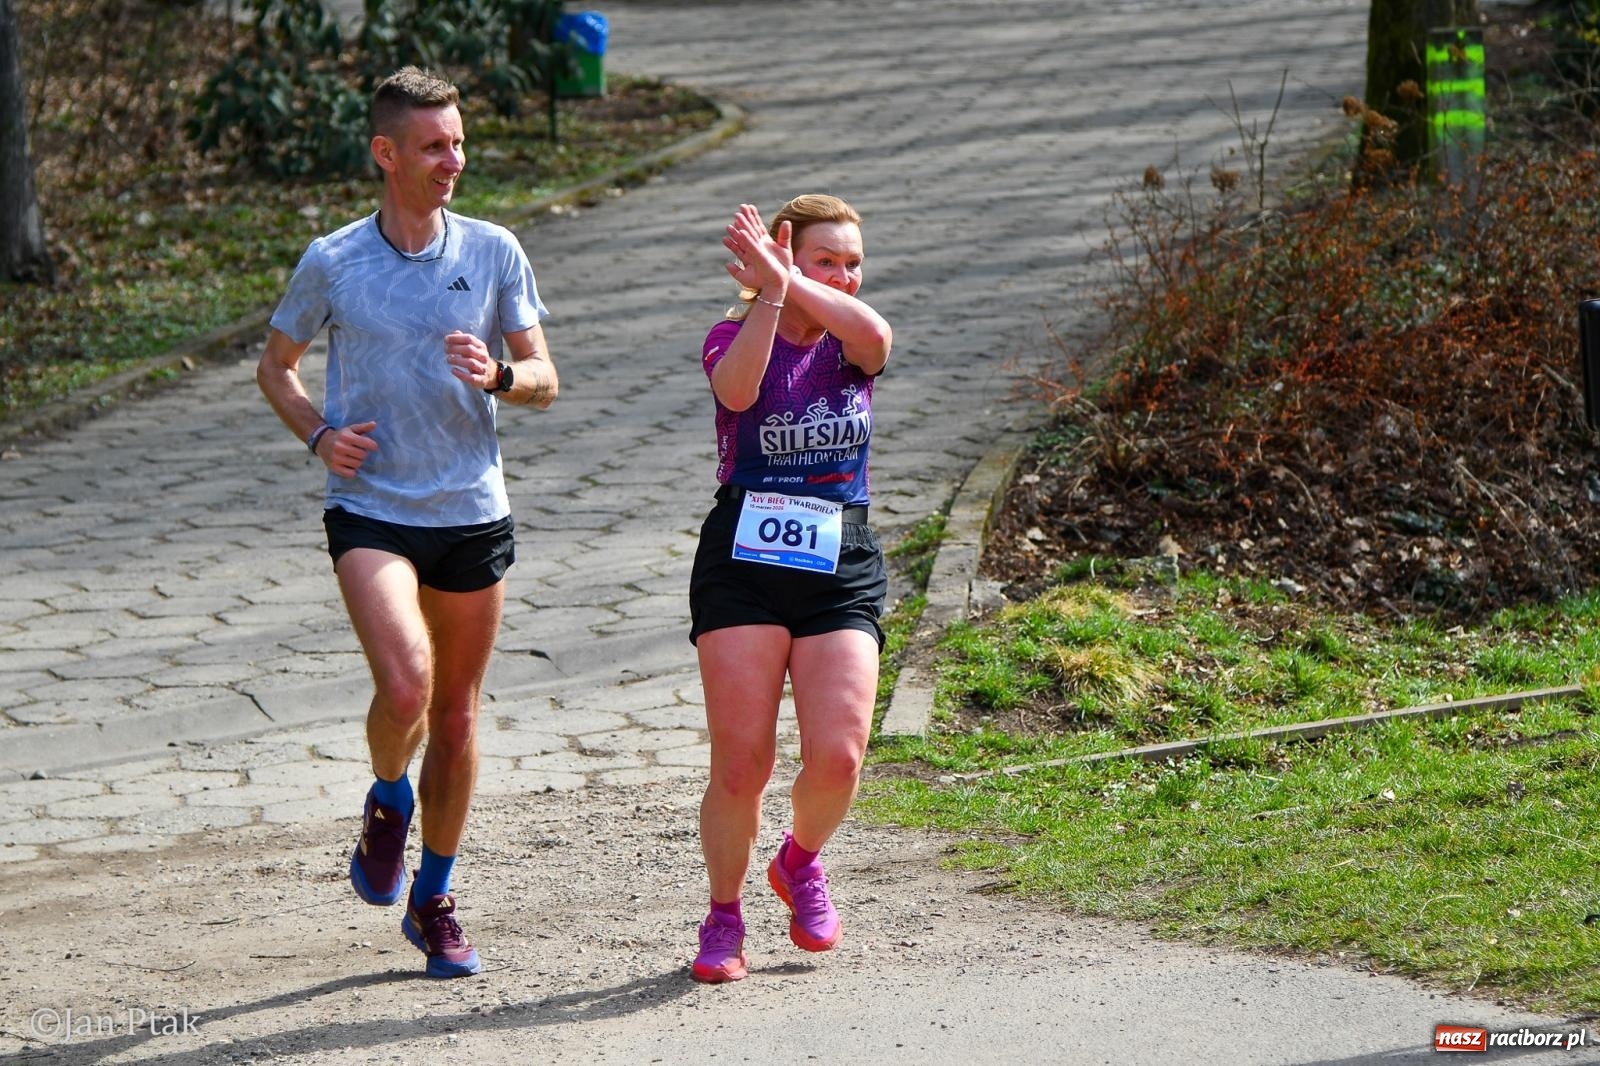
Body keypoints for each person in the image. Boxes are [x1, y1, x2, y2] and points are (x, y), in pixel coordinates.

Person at [256, 66, 558, 979]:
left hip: (472, 511)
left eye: (458, 143)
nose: (453, 160)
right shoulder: (335, 260)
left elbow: (544, 377)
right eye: (435, 145)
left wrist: (501, 377)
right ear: (387, 154)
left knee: (458, 722)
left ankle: (433, 899)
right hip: (372, 508)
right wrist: (318, 435)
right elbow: (276, 367)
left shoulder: (495, 251)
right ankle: (388, 799)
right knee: (406, 690)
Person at [687, 194, 894, 982]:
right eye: (825, 261)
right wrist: (773, 293)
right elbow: (738, 395)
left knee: (839, 757)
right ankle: (724, 915)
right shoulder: (730, 334)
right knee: (742, 766)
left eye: (853, 263)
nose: (844, 275)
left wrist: (796, 283)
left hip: (840, 558)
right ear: (786, 257)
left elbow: (874, 335)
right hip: (743, 564)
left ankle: (799, 862)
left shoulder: (854, 341)